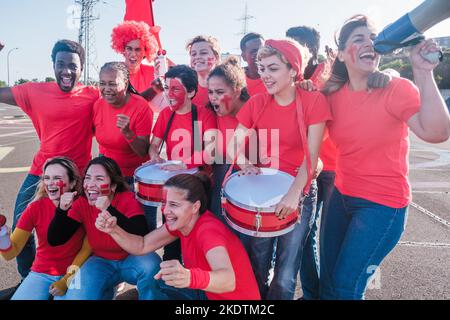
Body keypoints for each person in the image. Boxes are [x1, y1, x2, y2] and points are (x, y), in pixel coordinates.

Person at [319, 15, 450, 300]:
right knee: (328, 283)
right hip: (341, 197)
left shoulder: (395, 88)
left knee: (344, 288)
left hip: (382, 206)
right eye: (359, 39)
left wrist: (423, 72)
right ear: (341, 54)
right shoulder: (331, 95)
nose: (370, 44)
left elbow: (437, 132)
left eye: (373, 39)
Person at [230, 39, 332, 299]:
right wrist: (244, 163)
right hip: (264, 197)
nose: (264, 75)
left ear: (293, 70)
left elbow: (311, 158)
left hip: (299, 193)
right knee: (258, 265)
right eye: (261, 68)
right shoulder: (257, 102)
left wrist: (293, 195)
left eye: (272, 68)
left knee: (286, 277)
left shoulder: (314, 101)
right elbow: (232, 144)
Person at [0, 39, 99, 297]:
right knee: (23, 218)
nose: (66, 71)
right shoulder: (33, 91)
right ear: (53, 65)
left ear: (82, 67)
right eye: (61, 64)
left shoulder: (93, 96)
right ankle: (28, 277)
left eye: (73, 66)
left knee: (90, 228)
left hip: (78, 178)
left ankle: (86, 276)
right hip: (40, 173)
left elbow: (124, 101)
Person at [95, 173, 261, 300]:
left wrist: (189, 277)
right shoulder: (182, 223)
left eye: (174, 205)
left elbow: (228, 280)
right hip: (208, 293)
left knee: (157, 283)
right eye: (164, 203)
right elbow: (142, 245)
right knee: (154, 280)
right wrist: (113, 230)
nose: (165, 210)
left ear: (195, 206)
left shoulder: (208, 231)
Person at [47, 156, 163, 300]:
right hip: (100, 261)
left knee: (151, 265)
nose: (90, 184)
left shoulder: (126, 198)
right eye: (88, 178)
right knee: (76, 296)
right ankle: (106, 292)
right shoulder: (82, 203)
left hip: (131, 258)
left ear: (113, 186)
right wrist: (61, 210)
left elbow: (141, 232)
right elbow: (55, 239)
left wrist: (109, 209)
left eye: (99, 179)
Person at [149, 64, 216, 261]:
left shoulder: (204, 115)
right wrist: (154, 156)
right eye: (167, 88)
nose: (169, 93)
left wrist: (184, 163)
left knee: (198, 241)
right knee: (172, 241)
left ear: (192, 91)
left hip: (200, 187)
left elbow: (211, 153)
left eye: (175, 89)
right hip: (175, 189)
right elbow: (153, 146)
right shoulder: (165, 114)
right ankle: (171, 287)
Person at [0, 157, 91, 300]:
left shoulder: (83, 206)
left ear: (73, 182)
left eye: (57, 178)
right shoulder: (35, 208)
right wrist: (2, 235)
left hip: (76, 272)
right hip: (41, 272)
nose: (50, 183)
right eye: (47, 178)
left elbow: (87, 248)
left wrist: (66, 279)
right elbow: (11, 253)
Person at [93, 62, 155, 229]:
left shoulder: (141, 107)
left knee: (141, 228)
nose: (106, 88)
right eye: (102, 83)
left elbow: (143, 151)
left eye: (112, 83)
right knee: (109, 224)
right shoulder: (98, 105)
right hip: (108, 177)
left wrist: (128, 133)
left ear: (125, 84)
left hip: (134, 180)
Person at [206, 56, 250, 222]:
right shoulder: (212, 112)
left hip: (251, 180)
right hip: (222, 178)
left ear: (237, 91)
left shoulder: (254, 110)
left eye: (220, 92)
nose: (213, 98)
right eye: (210, 92)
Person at [111, 20, 166, 112]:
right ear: (123, 50)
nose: (133, 54)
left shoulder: (153, 72)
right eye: (129, 48)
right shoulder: (113, 74)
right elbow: (126, 107)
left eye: (138, 50)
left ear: (145, 52)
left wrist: (167, 75)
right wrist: (154, 90)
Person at [186, 35, 221, 109]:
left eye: (203, 53)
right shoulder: (186, 89)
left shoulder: (227, 88)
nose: (197, 57)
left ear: (216, 58)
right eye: (193, 54)